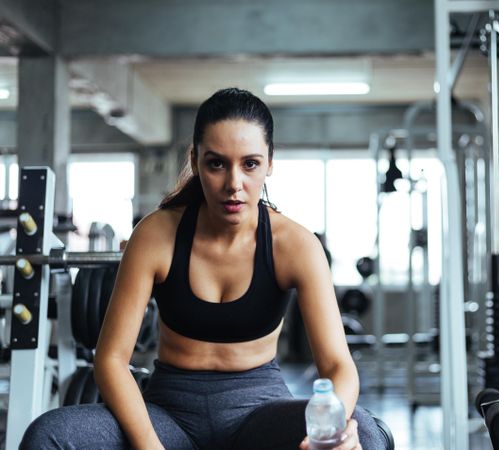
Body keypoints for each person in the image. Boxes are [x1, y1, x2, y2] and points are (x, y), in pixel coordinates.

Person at [20, 88, 387, 449]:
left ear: (270, 163)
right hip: (169, 416)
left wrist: (333, 428)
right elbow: (111, 360)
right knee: (48, 434)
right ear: (195, 161)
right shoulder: (156, 235)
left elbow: (339, 365)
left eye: (250, 164)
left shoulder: (295, 246)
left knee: (366, 435)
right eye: (216, 163)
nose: (233, 184)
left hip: (260, 415)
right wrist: (150, 446)